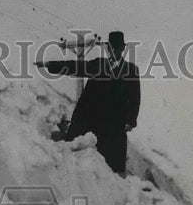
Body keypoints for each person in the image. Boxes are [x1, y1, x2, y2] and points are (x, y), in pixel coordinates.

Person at [38, 31, 141, 174]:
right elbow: (75, 67)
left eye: (118, 48)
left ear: (123, 49)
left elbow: (135, 98)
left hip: (113, 126)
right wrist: (50, 65)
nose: (114, 51)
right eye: (112, 47)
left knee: (110, 170)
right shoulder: (98, 64)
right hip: (90, 120)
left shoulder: (131, 70)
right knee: (79, 161)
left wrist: (130, 121)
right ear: (108, 48)